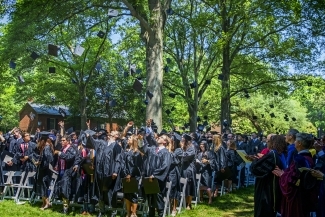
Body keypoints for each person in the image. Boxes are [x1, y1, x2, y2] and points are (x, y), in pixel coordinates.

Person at [273, 133, 320, 217]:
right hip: (306, 196)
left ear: (299, 143)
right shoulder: (310, 158)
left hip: (297, 197)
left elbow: (292, 180)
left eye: (296, 141)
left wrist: (282, 175)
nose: (294, 142)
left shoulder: (299, 160)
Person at [248, 135, 287, 217]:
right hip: (274, 186)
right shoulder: (281, 154)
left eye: (269, 141)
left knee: (264, 211)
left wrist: (256, 160)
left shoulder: (272, 154)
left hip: (267, 189)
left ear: (274, 143)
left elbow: (256, 169)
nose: (267, 142)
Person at [141, 119, 171, 217]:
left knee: (158, 197)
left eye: (161, 137)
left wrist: (155, 175)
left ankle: (161, 214)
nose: (158, 137)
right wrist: (148, 128)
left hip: (157, 179)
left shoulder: (166, 153)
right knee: (150, 199)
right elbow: (145, 147)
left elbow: (165, 166)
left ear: (165, 142)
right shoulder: (153, 149)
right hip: (150, 178)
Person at [122, 134, 143, 217]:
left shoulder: (137, 153)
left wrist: (130, 174)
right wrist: (125, 174)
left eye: (130, 138)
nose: (128, 139)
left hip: (134, 176)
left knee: (133, 194)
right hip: (126, 175)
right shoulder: (127, 151)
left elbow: (136, 166)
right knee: (127, 194)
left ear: (134, 140)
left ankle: (134, 213)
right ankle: (128, 212)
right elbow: (123, 164)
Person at [33, 132, 54, 210]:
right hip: (42, 170)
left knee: (44, 187)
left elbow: (50, 160)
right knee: (41, 186)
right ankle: (44, 203)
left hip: (45, 171)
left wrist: (40, 163)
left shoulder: (47, 148)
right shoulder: (44, 147)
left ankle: (47, 203)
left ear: (42, 140)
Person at [179, 134, 197, 210]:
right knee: (183, 186)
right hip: (183, 169)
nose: (182, 141)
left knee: (189, 186)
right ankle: (184, 202)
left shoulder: (191, 148)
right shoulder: (183, 148)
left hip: (189, 169)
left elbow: (185, 158)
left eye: (183, 140)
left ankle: (189, 204)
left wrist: (181, 150)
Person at [196, 140, 215, 204]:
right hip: (200, 170)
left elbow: (213, 161)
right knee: (200, 185)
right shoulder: (199, 153)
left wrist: (207, 161)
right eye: (200, 144)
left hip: (207, 171)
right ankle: (201, 198)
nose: (201, 146)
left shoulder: (209, 153)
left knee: (207, 185)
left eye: (203, 145)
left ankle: (210, 199)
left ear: (205, 145)